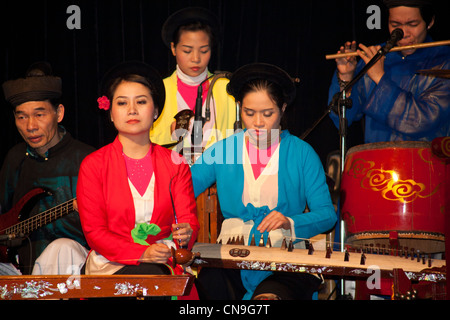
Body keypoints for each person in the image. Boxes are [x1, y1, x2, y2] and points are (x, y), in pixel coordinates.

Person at [190, 63, 337, 300]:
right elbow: (183, 188)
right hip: (232, 258)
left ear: (283, 108)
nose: (258, 122)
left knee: (269, 299)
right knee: (207, 282)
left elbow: (327, 214)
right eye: (249, 113)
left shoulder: (301, 153)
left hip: (285, 260)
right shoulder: (224, 150)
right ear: (240, 108)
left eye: (268, 113)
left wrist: (290, 221)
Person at [76, 61, 199, 290]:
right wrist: (142, 252)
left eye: (141, 102)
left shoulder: (176, 163)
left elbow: (188, 219)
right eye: (122, 103)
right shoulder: (93, 165)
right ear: (111, 113)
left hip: (163, 257)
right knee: (153, 277)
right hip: (110, 263)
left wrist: (186, 232)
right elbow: (95, 233)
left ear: (155, 111)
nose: (132, 110)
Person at [0, 62, 95, 275]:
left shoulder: (88, 159)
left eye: (39, 114)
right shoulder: (15, 158)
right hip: (18, 267)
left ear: (59, 113)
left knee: (61, 248)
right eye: (21, 116)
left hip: (74, 266)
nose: (30, 126)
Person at [328, 0, 450, 143]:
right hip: (377, 161)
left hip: (426, 161)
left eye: (412, 24)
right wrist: (346, 77)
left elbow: (420, 121)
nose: (404, 33)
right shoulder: (376, 57)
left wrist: (380, 77)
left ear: (430, 22)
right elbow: (343, 119)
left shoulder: (444, 61)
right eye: (395, 25)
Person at [150, 7, 236, 158]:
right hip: (170, 176)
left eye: (203, 51)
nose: (196, 58)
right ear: (173, 48)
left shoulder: (227, 88)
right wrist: (171, 136)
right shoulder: (157, 89)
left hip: (217, 177)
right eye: (187, 51)